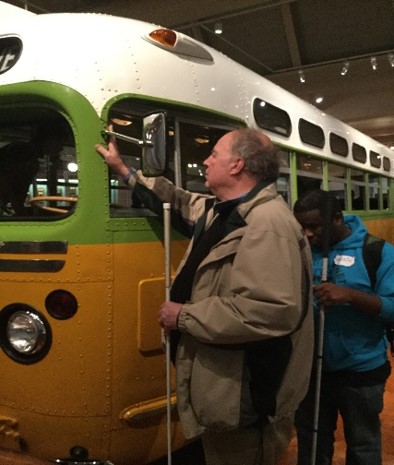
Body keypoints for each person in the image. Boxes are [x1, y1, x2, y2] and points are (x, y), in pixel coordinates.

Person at [96, 127, 314, 465]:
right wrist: (125, 171)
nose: (207, 160)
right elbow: (179, 202)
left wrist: (182, 316)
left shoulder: (267, 225)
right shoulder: (223, 210)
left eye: (214, 154)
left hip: (248, 398)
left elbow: (269, 311)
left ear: (237, 165)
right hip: (228, 390)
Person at [293, 189, 394, 465]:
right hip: (310, 371)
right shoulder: (300, 252)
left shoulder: (377, 252)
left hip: (360, 371)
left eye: (314, 227)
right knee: (311, 439)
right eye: (302, 227)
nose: (308, 234)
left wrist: (350, 296)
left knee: (363, 445)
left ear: (337, 218)